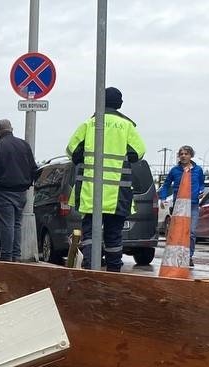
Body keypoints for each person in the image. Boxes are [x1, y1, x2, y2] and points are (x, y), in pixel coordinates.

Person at [65, 86, 146, 271]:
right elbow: (138, 152)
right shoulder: (126, 126)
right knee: (114, 236)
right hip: (117, 194)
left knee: (90, 235)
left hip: (90, 192)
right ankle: (114, 272)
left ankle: (90, 268)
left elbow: (71, 150)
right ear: (119, 104)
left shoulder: (89, 124)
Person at [0, 119, 38, 262]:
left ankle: (7, 257)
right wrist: (28, 183)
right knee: (17, 224)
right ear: (11, 129)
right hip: (21, 192)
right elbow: (34, 167)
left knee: (7, 224)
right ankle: (16, 256)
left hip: (2, 192)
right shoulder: (24, 145)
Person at [159, 145, 204, 266]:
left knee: (192, 232)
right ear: (179, 156)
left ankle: (189, 256)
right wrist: (163, 198)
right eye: (181, 154)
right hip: (179, 207)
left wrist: (201, 191)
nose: (183, 156)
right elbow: (166, 185)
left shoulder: (198, 170)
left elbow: (201, 184)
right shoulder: (175, 171)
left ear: (191, 155)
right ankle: (177, 255)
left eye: (186, 154)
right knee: (178, 231)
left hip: (193, 205)